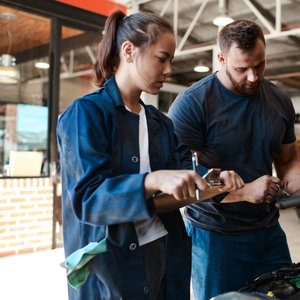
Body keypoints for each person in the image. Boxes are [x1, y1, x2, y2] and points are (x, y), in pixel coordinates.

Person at [57, 10, 243, 300]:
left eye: (171, 60)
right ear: (129, 51)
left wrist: (216, 182)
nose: (168, 69)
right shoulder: (86, 114)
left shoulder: (161, 123)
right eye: (162, 58)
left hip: (166, 252)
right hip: (114, 265)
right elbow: (88, 200)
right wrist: (150, 180)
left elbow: (188, 179)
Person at [168, 20, 300, 300]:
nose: (253, 77)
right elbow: (182, 179)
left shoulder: (279, 99)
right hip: (215, 237)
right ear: (221, 58)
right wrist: (244, 192)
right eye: (242, 69)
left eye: (260, 65)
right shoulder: (193, 104)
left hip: (269, 233)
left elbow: (289, 160)